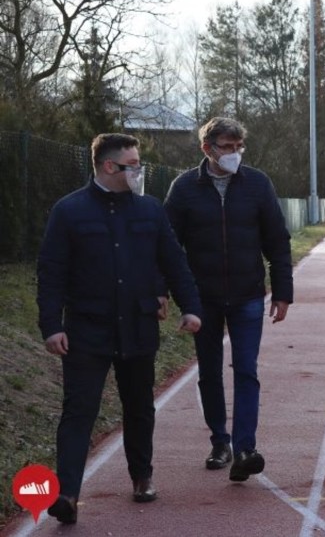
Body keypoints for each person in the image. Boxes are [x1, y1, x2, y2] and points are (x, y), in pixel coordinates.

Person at [37, 134, 202, 524]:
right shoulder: (69, 211)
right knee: (79, 410)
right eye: (134, 164)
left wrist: (191, 307)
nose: (139, 170)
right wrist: (51, 326)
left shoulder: (149, 211)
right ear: (110, 167)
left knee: (139, 407)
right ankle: (67, 494)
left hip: (138, 325)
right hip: (86, 330)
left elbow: (174, 262)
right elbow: (51, 273)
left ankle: (142, 477)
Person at [164, 117, 293, 482]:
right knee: (209, 372)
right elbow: (167, 245)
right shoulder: (184, 188)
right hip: (201, 298)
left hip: (248, 294)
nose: (235, 153)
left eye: (239, 147)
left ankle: (245, 448)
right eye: (227, 147)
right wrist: (163, 290)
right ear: (207, 149)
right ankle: (220, 441)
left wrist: (283, 291)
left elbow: (277, 240)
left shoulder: (257, 184)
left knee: (247, 370)